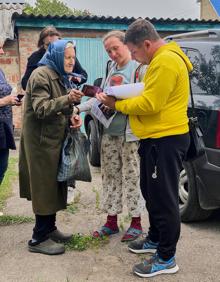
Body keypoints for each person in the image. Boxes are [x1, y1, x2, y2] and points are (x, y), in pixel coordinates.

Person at [96, 19, 192, 278]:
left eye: (135, 52)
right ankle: (155, 239)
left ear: (146, 44)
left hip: (166, 139)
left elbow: (151, 104)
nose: (135, 58)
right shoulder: (159, 61)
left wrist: (118, 105)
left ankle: (166, 256)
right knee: (151, 191)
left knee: (164, 199)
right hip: (154, 139)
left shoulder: (165, 61)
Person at [77, 30, 145, 242]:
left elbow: (145, 101)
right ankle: (111, 222)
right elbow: (102, 97)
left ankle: (136, 223)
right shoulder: (110, 67)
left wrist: (116, 104)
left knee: (133, 178)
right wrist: (79, 108)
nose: (113, 54)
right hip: (109, 132)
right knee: (110, 176)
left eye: (116, 48)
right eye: (108, 51)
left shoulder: (140, 69)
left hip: (131, 134)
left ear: (126, 45)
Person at [19, 39, 84, 255]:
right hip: (41, 143)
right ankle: (38, 238)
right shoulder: (41, 75)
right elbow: (41, 109)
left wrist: (72, 114)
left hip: (53, 141)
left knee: (55, 186)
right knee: (43, 187)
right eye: (67, 57)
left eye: (73, 57)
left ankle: (50, 229)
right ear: (56, 55)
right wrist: (67, 99)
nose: (71, 61)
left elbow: (59, 106)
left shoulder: (58, 75)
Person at [21, 26, 88, 91]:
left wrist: (76, 78)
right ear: (42, 44)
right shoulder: (35, 58)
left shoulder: (68, 55)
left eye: (55, 44)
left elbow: (84, 75)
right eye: (48, 45)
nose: (52, 48)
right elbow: (25, 83)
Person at [0, 44, 21, 185]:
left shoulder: (0, 70)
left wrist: (12, 99)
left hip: (3, 128)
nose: (2, 51)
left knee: (2, 168)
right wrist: (3, 101)